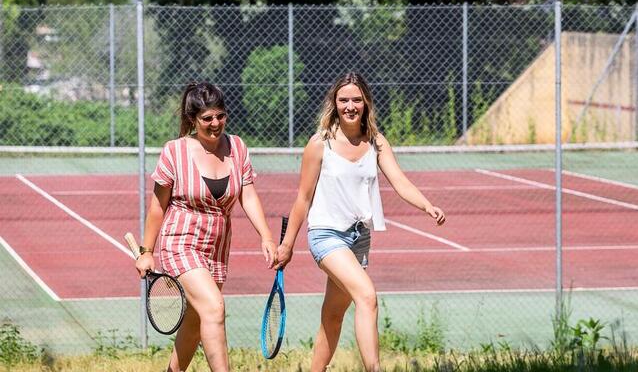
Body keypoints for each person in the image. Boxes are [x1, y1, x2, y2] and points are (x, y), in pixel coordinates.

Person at [277, 72, 446, 372]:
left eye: (356, 99)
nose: (350, 106)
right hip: (326, 235)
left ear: (366, 103)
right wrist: (287, 245)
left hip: (359, 239)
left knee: (332, 316)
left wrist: (427, 206)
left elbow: (400, 181)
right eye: (344, 100)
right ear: (334, 103)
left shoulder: (377, 142)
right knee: (367, 296)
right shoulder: (320, 144)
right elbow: (302, 198)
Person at [134, 81, 277, 372]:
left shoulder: (237, 147)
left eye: (220, 116)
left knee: (197, 320)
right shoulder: (175, 151)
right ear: (192, 120)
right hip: (180, 242)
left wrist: (266, 236)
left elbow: (247, 194)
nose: (216, 124)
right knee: (214, 308)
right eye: (207, 118)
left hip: (217, 248)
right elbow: (158, 206)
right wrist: (146, 251)